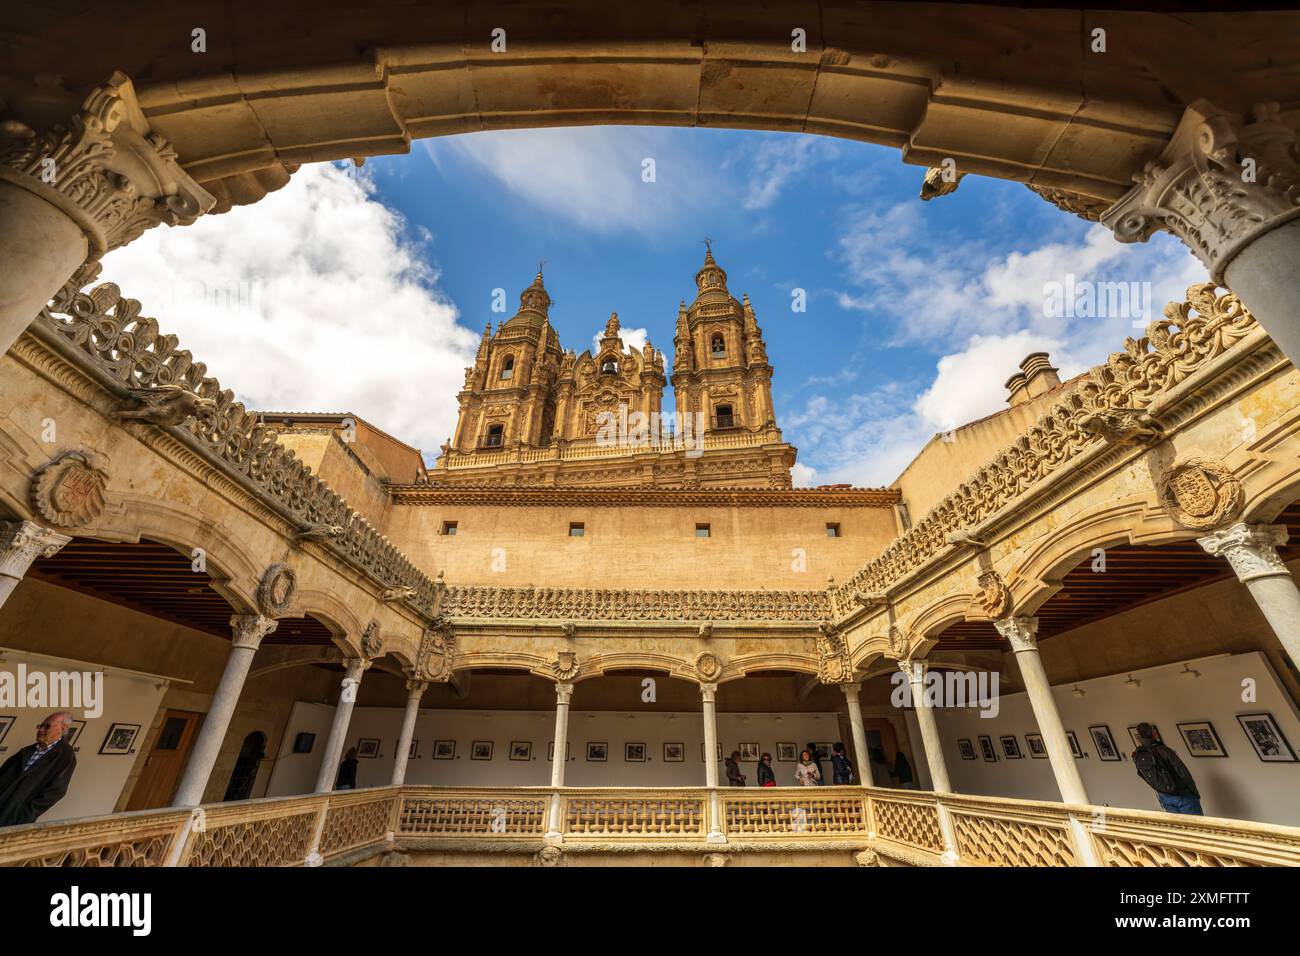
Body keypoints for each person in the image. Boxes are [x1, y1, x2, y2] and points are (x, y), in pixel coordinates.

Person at [0, 712, 77, 827]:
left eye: (47, 726)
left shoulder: (65, 756)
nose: (41, 730)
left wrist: (24, 817)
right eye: (40, 726)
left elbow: (56, 791)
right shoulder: (27, 750)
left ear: (63, 728)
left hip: (13, 818)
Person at [1132, 723, 1202, 815]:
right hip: (1182, 795)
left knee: (1178, 827)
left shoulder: (1139, 753)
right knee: (1196, 827)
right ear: (1153, 733)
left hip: (1164, 796)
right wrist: (1194, 792)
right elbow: (1183, 773)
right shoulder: (1164, 750)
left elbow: (1142, 774)